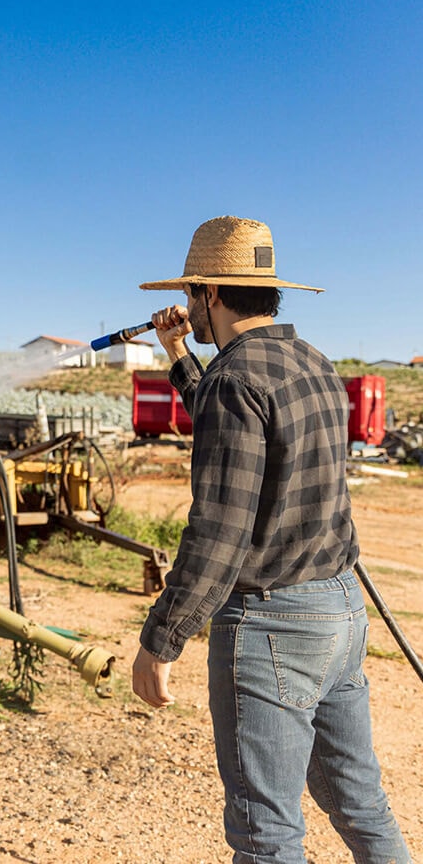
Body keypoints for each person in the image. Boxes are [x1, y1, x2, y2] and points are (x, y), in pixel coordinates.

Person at [131, 216, 411, 863]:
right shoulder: (311, 362)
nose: (190, 309)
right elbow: (232, 417)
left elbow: (218, 531)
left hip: (273, 625)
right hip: (339, 611)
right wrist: (178, 354)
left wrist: (161, 638)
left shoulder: (235, 380)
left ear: (210, 293)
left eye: (193, 293)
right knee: (360, 803)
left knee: (268, 835)